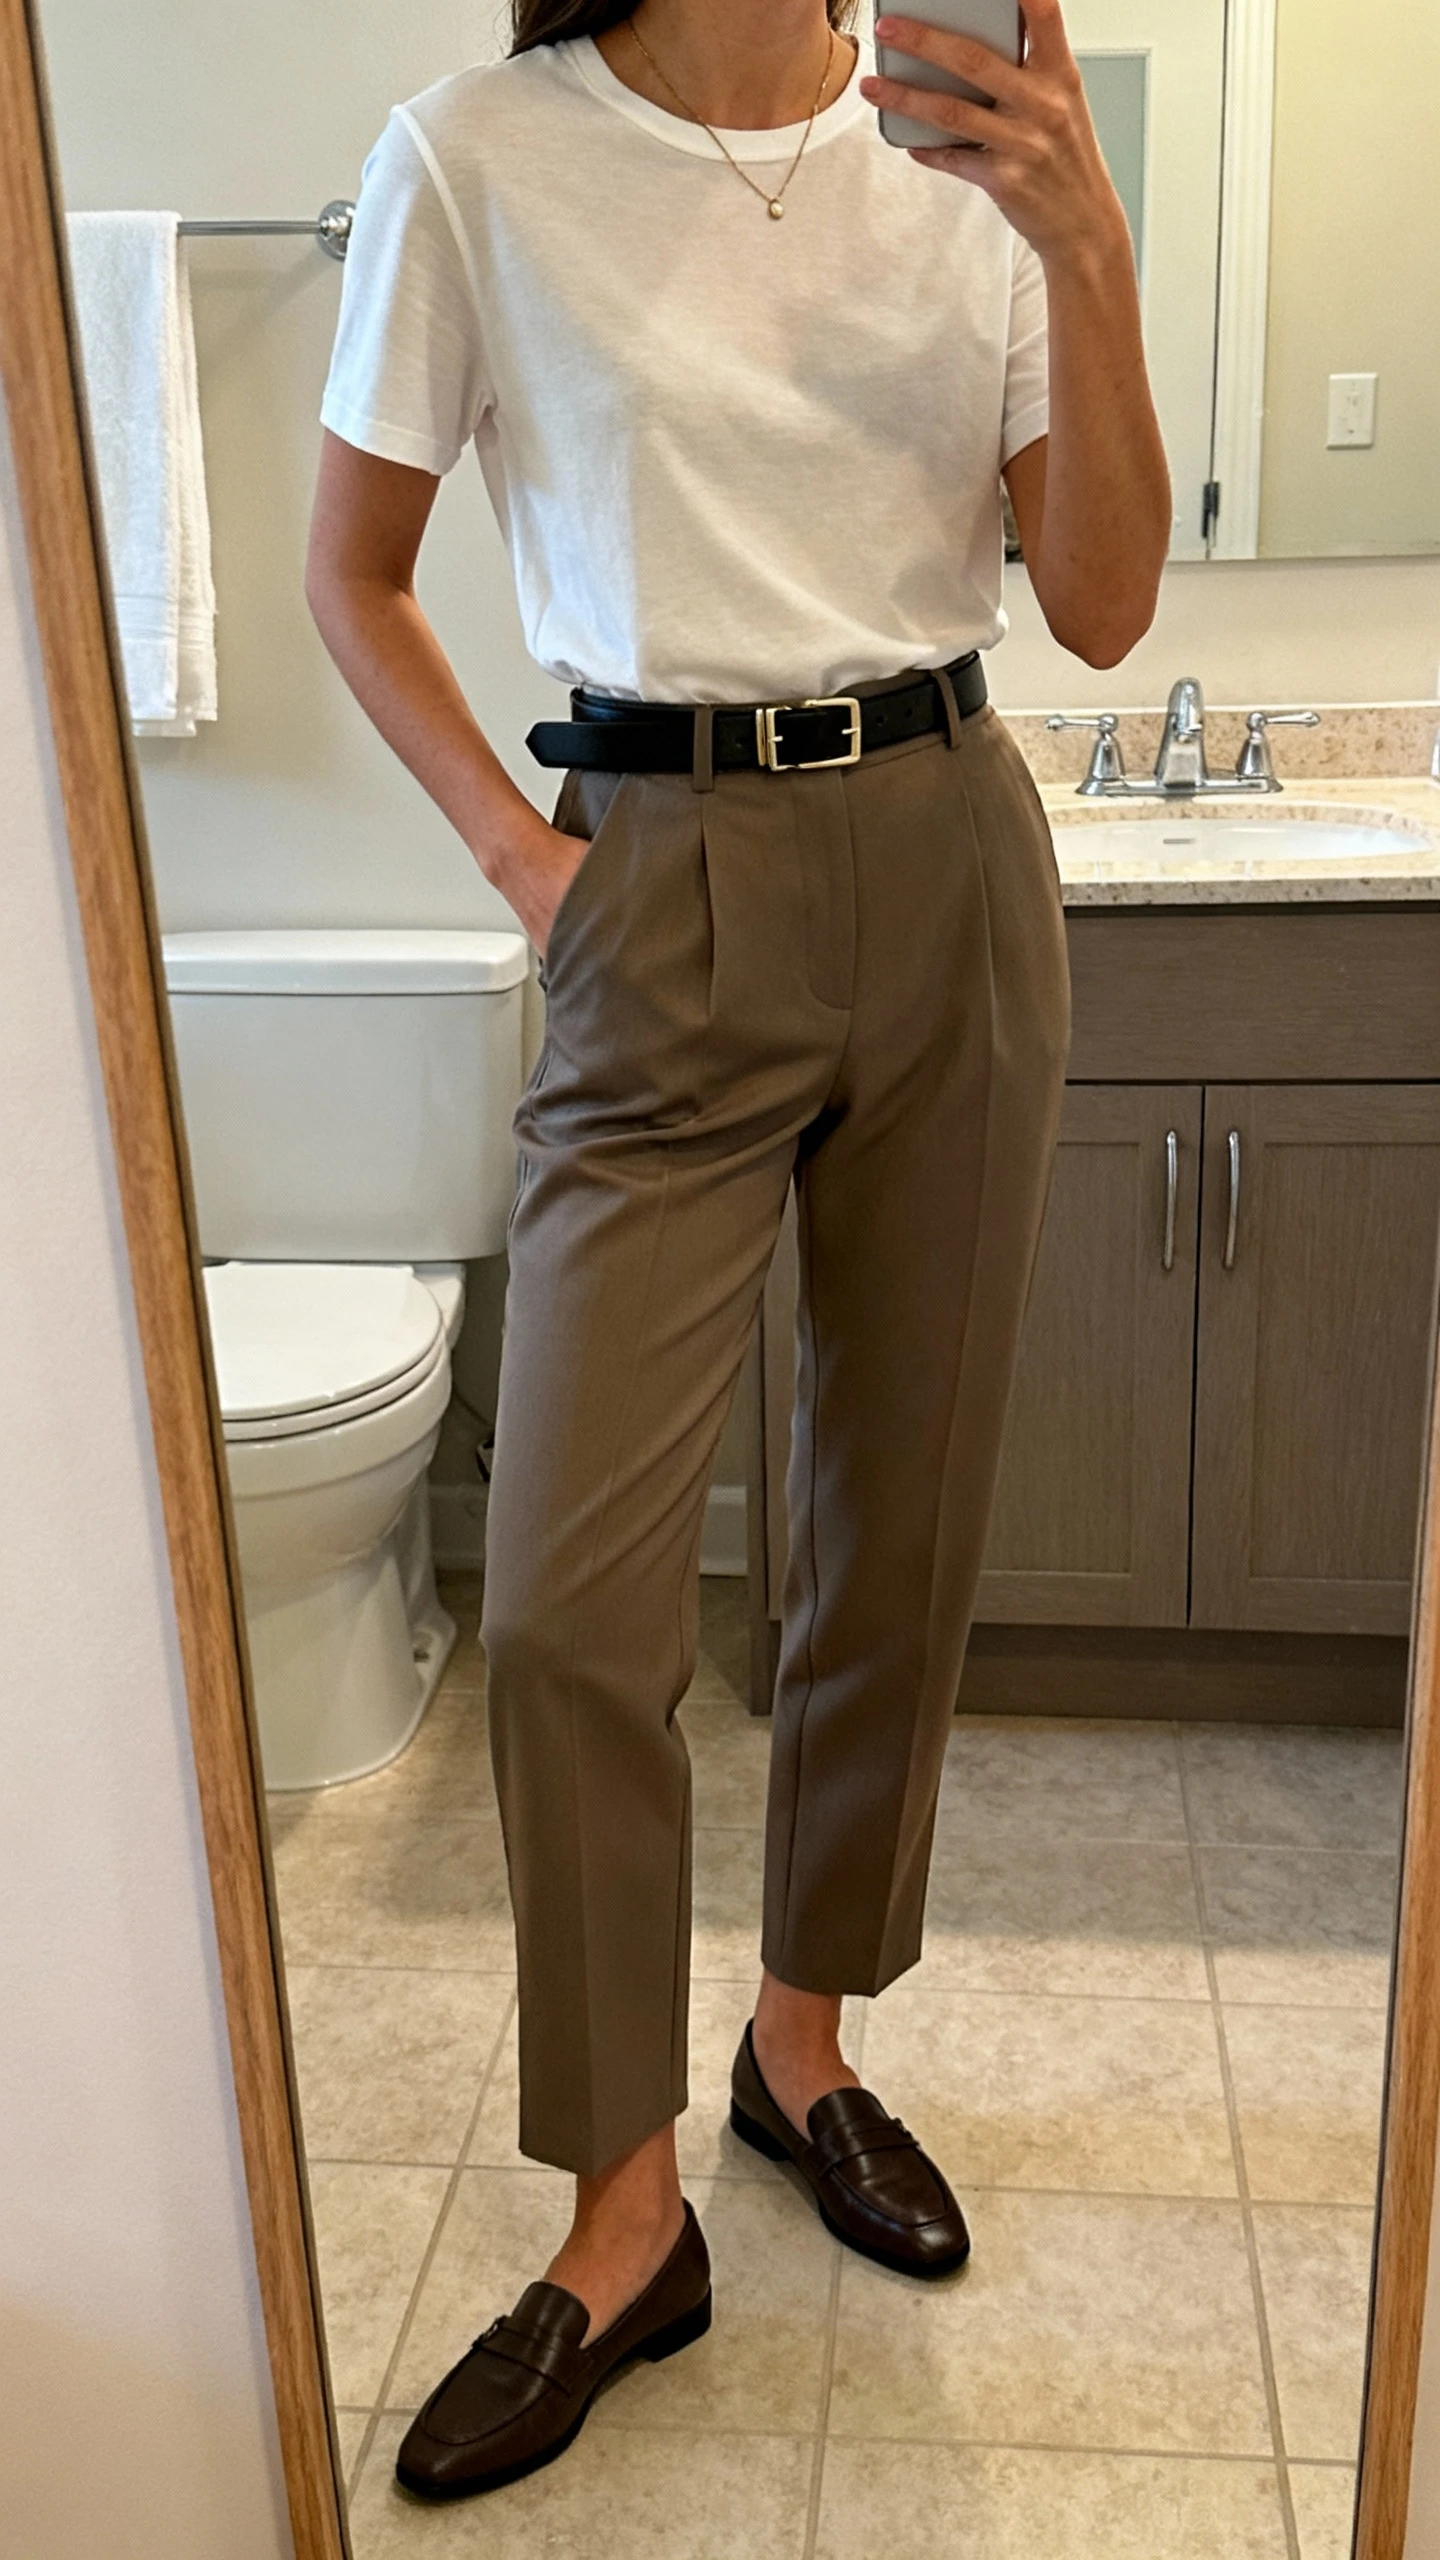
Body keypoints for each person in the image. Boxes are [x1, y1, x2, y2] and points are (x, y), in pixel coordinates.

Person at [307, 0, 1168, 2501]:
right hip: (651, 868)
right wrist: (514, 851)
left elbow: (1100, 603)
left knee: (889, 1533)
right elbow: (354, 570)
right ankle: (621, 2212)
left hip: (947, 854)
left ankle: (804, 2041)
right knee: (574, 1601)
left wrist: (1083, 243)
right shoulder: (478, 154)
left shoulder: (962, 151)